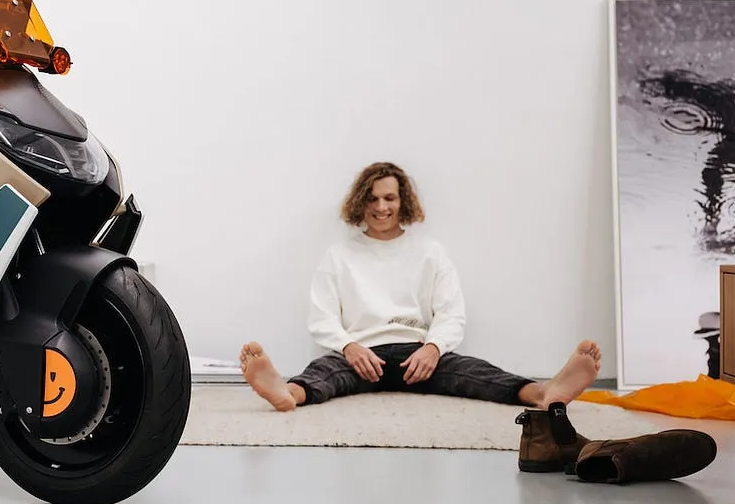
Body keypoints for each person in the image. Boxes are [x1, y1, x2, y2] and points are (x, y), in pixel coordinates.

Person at [238, 161, 602, 420]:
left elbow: (451, 313)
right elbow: (322, 317)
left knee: (474, 373)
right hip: (360, 354)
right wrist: (349, 347)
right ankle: (287, 394)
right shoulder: (339, 255)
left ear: (403, 202)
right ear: (361, 203)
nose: (381, 207)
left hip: (417, 355)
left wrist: (433, 348)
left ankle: (543, 393)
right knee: (324, 373)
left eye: (389, 198)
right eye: (372, 199)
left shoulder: (430, 252)